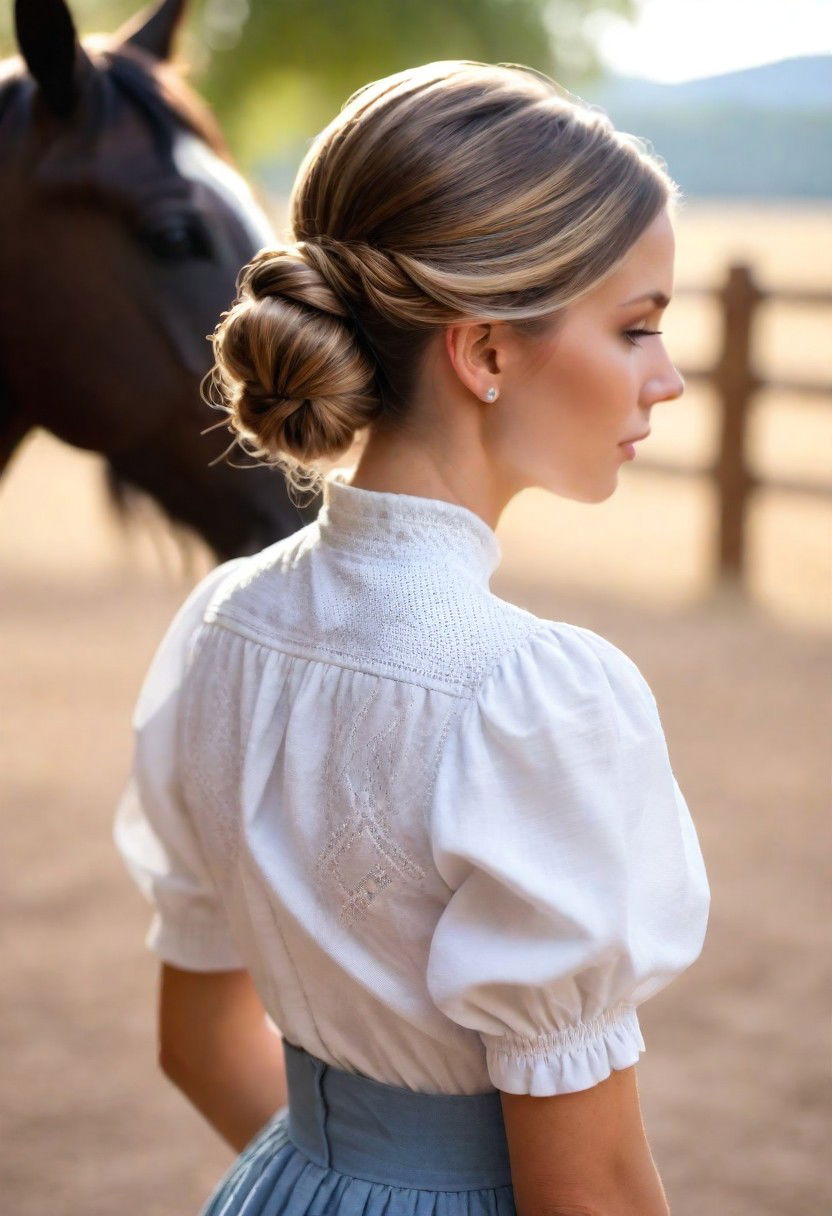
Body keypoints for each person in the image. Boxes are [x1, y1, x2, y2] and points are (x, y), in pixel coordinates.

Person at [114, 59, 710, 1216]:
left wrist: (350, 1180)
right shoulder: (532, 695)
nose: (669, 378)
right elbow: (584, 1191)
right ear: (483, 351)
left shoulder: (220, 627)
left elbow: (196, 1042)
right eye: (636, 328)